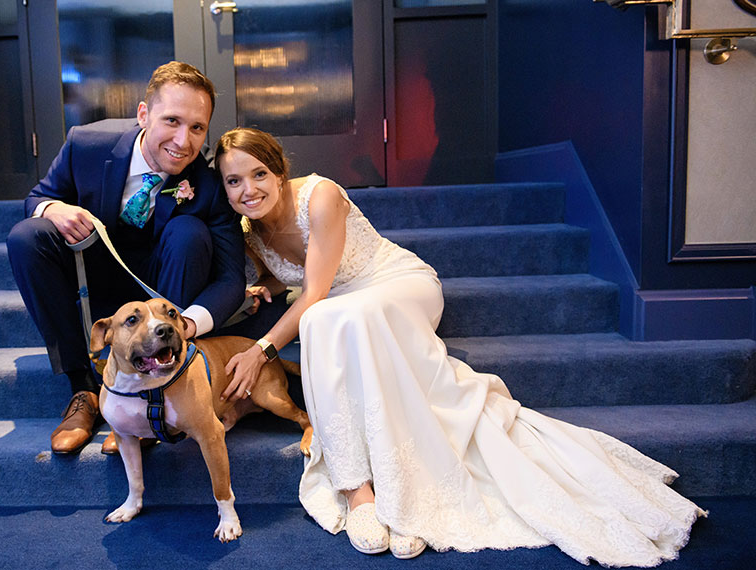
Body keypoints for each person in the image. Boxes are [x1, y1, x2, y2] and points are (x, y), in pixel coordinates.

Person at [213, 127, 704, 565]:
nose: (247, 189)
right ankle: (358, 490)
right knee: (335, 320)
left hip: (397, 285)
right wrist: (268, 289)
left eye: (258, 174)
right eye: (234, 182)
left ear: (279, 171)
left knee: (324, 316)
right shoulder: (249, 231)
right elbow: (296, 276)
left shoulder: (319, 196)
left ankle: (402, 488)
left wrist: (261, 351)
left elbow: (316, 290)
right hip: (346, 314)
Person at [7, 62, 245, 455]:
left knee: (189, 233)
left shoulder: (207, 184)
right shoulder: (85, 145)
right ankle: (83, 387)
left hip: (165, 294)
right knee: (27, 237)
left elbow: (231, 279)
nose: (184, 141)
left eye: (197, 128)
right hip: (98, 285)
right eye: (172, 121)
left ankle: (152, 393)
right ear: (143, 114)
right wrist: (52, 209)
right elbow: (36, 197)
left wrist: (185, 324)